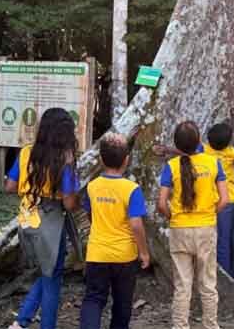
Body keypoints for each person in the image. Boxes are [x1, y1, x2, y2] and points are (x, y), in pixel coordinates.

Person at [154, 123, 234, 282]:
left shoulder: (205, 151)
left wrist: (167, 150)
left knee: (222, 241)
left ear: (208, 140)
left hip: (221, 202)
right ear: (227, 142)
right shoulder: (231, 152)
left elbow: (186, 152)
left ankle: (226, 278)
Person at [6, 108, 79, 329]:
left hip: (27, 221)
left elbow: (9, 186)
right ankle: (41, 325)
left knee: (48, 272)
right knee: (52, 279)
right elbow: (69, 203)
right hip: (51, 225)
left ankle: (22, 320)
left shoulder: (26, 152)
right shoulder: (63, 161)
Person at [157, 121, 228, 329]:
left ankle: (180, 326)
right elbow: (224, 200)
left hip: (179, 229)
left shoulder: (170, 167)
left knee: (182, 286)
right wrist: (207, 215)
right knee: (208, 284)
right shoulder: (214, 163)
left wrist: (174, 217)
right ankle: (210, 325)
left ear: (177, 145)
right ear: (199, 141)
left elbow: (161, 204)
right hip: (206, 228)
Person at [78, 132, 150, 329]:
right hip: (124, 257)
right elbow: (136, 224)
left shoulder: (92, 187)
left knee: (93, 299)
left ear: (101, 159)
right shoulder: (132, 189)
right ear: (126, 160)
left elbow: (91, 216)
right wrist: (143, 252)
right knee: (122, 303)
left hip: (97, 253)